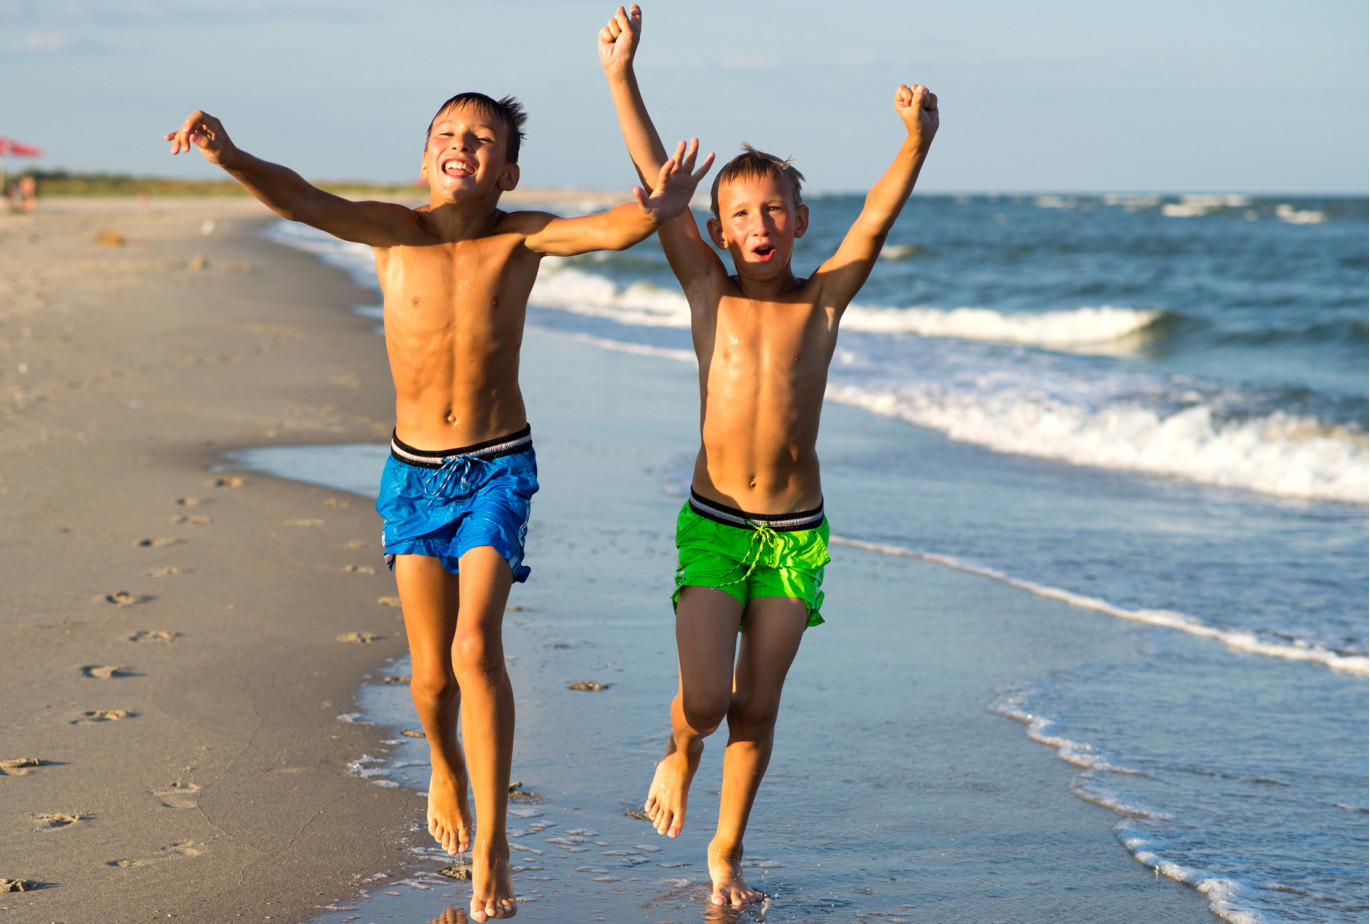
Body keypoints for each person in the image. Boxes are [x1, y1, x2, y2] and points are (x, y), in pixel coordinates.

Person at [165, 93, 711, 921]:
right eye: (448, 135)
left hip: (497, 467)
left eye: (483, 139)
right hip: (413, 474)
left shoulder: (520, 235)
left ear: (508, 170)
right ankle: (444, 763)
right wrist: (232, 155)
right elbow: (305, 199)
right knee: (428, 680)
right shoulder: (393, 232)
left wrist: (655, 208)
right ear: (425, 159)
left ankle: (494, 848)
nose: (464, 145)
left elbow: (605, 228)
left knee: (474, 644)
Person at [599, 5, 939, 907]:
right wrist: (621, 77)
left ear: (796, 222)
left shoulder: (821, 304)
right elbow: (656, 180)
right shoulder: (707, 290)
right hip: (715, 526)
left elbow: (872, 223)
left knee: (758, 705)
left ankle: (726, 852)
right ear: (716, 229)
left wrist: (915, 143)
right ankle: (678, 749)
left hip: (795, 536)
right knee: (707, 701)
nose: (759, 222)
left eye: (774, 209)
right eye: (739, 211)